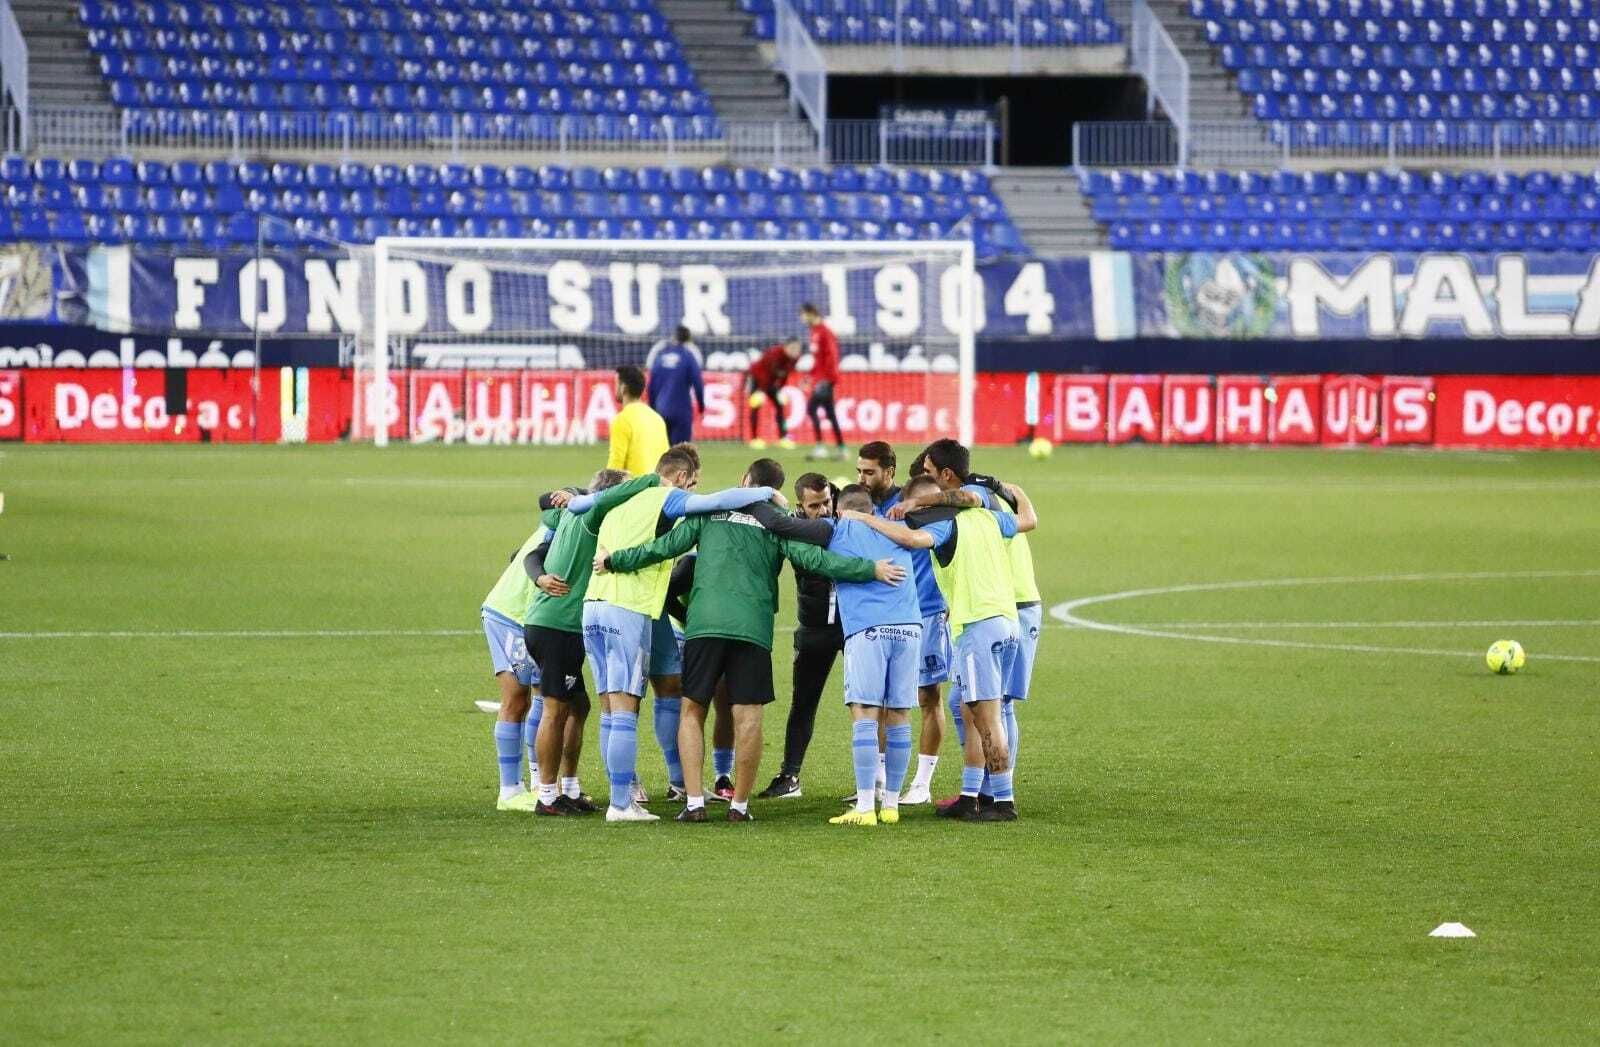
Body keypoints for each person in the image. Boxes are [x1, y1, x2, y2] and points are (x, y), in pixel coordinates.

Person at [597, 459, 907, 823]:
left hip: (705, 626)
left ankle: (694, 802)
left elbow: (662, 548)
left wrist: (615, 560)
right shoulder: (775, 523)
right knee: (749, 716)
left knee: (693, 710)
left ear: (744, 481)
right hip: (753, 629)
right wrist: (870, 568)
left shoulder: (708, 511)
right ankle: (739, 806)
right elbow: (817, 560)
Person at [569, 445, 778, 822]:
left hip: (595, 604)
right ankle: (621, 803)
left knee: (618, 701)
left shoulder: (619, 498)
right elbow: (717, 502)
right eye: (693, 483)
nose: (695, 490)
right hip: (627, 606)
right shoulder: (667, 497)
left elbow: (578, 506)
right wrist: (765, 493)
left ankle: (663, 786)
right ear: (682, 478)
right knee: (624, 709)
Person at [855, 468, 1037, 822]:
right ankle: (970, 796)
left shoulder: (943, 526)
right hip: (1008, 622)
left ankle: (1003, 802)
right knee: (971, 709)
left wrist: (865, 519)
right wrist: (1007, 487)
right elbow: (1029, 518)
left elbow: (910, 540)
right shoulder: (989, 518)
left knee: (986, 718)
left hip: (977, 626)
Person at [524, 467, 655, 816]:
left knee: (578, 705)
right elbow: (647, 483)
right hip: (558, 626)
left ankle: (567, 787)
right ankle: (547, 796)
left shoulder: (569, 513)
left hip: (550, 622)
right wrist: (656, 481)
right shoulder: (593, 511)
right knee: (555, 710)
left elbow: (532, 550)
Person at [854, 442, 949, 805]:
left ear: (889, 472)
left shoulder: (916, 503)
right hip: (884, 614)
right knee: (877, 699)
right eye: (859, 471)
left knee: (927, 696)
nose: (862, 478)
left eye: (869, 472)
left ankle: (922, 783)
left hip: (926, 610)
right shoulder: (864, 506)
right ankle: (878, 781)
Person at [755, 473, 843, 800]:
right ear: (800, 506)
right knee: (803, 703)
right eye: (814, 505)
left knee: (868, 704)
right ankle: (789, 775)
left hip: (855, 627)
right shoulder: (792, 526)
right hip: (814, 627)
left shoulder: (846, 521)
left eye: (826, 502)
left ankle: (877, 780)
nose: (822, 510)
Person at [481, 521, 549, 812]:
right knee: (516, 698)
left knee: (543, 694)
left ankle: (538, 783)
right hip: (510, 616)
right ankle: (509, 790)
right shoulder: (571, 519)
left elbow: (517, 554)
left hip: (533, 618)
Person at [800, 302, 845, 461]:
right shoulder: (815, 332)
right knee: (830, 414)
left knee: (811, 408)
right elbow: (817, 360)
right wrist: (808, 376)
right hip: (820, 378)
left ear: (811, 313)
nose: (802, 319)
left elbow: (832, 357)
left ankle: (821, 447)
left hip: (826, 379)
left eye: (803, 315)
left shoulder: (825, 332)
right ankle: (841, 449)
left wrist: (829, 380)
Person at [645, 325, 704, 446]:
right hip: (682, 411)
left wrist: (652, 408)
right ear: (688, 340)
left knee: (662, 452)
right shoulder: (688, 357)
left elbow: (651, 386)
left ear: (674, 337)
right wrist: (701, 405)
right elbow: (698, 383)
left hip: (661, 410)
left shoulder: (660, 358)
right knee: (681, 453)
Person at [608, 365, 669, 478]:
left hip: (635, 491)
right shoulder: (657, 419)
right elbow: (666, 462)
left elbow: (615, 467)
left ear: (623, 388)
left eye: (616, 383)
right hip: (658, 491)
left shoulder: (622, 419)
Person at [745, 338, 802, 450]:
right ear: (785, 347)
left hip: (771, 382)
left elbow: (785, 374)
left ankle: (783, 438)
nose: (795, 351)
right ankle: (754, 439)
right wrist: (760, 391)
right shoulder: (774, 354)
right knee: (755, 405)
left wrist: (781, 389)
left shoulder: (795, 359)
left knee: (780, 406)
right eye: (793, 348)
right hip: (757, 378)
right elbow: (763, 373)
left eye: (797, 349)